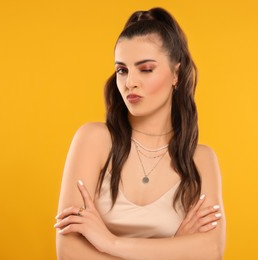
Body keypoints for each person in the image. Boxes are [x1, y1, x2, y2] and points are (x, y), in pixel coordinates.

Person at [54, 7, 226, 259]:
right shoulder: (94, 140)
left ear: (176, 73)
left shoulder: (200, 160)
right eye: (122, 70)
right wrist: (175, 247)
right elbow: (69, 252)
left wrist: (109, 242)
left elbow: (210, 251)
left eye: (145, 69)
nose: (130, 82)